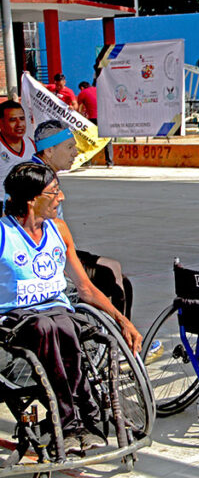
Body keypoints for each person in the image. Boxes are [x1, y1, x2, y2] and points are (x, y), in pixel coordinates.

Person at [0, 162, 142, 455]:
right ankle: (73, 419)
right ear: (32, 200)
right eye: (54, 192)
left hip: (57, 313)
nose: (61, 198)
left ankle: (79, 416)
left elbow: (85, 288)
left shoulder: (59, 230)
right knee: (47, 326)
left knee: (63, 322)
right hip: (17, 318)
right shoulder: (4, 234)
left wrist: (122, 321)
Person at [31, 120, 132, 318]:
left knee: (115, 269)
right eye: (70, 147)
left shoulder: (46, 173)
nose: (75, 153)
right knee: (112, 279)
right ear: (49, 151)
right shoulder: (36, 179)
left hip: (61, 247)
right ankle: (119, 335)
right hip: (47, 257)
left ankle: (118, 336)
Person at [0, 100, 35, 201]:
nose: (19, 124)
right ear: (1, 122)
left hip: (26, 204)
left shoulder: (31, 144)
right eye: (12, 120)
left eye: (22, 119)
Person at [77, 81, 111, 168]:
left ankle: (88, 162)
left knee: (89, 139)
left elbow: (78, 109)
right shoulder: (99, 90)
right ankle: (110, 163)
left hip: (93, 118)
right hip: (105, 117)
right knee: (107, 140)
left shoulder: (82, 93)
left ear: (81, 88)